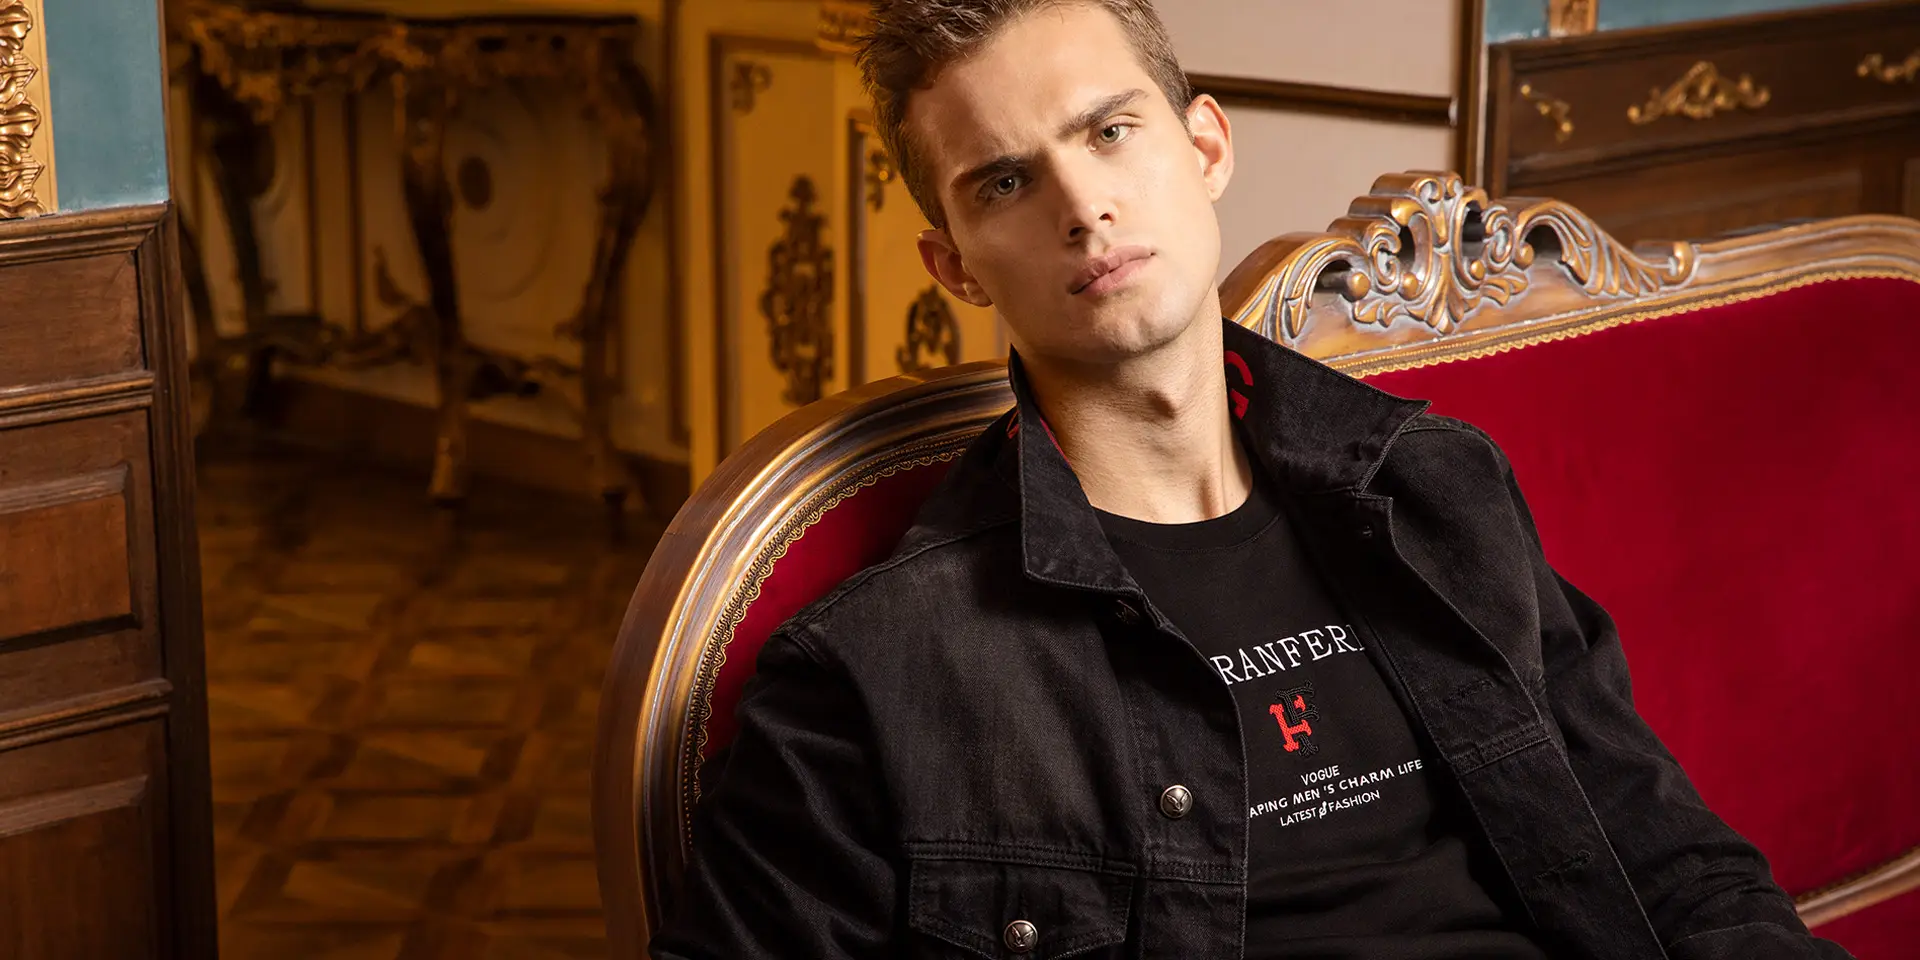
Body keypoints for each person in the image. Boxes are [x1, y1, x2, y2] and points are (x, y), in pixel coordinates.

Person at [651, 1, 1851, 957]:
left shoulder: (1438, 493)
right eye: (1005, 182)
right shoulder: (876, 674)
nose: (1083, 206)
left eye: (1110, 131)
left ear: (1206, 146)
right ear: (954, 266)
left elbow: (1669, 857)